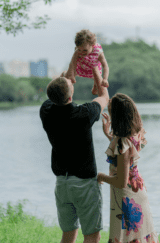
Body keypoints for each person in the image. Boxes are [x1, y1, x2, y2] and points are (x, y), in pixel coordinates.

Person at [39, 66, 109, 243]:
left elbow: (57, 88)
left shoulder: (46, 111)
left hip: (62, 184)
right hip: (84, 184)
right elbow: (104, 97)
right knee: (92, 235)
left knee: (68, 234)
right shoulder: (84, 114)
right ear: (71, 95)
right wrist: (95, 69)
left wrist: (70, 72)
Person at [97, 93, 159, 243]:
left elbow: (121, 182)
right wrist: (109, 135)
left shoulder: (121, 142)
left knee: (125, 238)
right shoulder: (136, 133)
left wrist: (101, 177)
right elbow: (128, 153)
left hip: (127, 199)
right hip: (138, 192)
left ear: (116, 116)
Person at [64, 29, 109, 95]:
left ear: (92, 45)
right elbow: (73, 62)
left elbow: (105, 66)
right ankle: (64, 75)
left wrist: (105, 79)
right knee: (67, 78)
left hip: (94, 70)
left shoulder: (98, 52)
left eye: (85, 50)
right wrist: (72, 75)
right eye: (79, 49)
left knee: (96, 90)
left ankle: (95, 86)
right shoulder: (78, 51)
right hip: (81, 68)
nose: (81, 53)